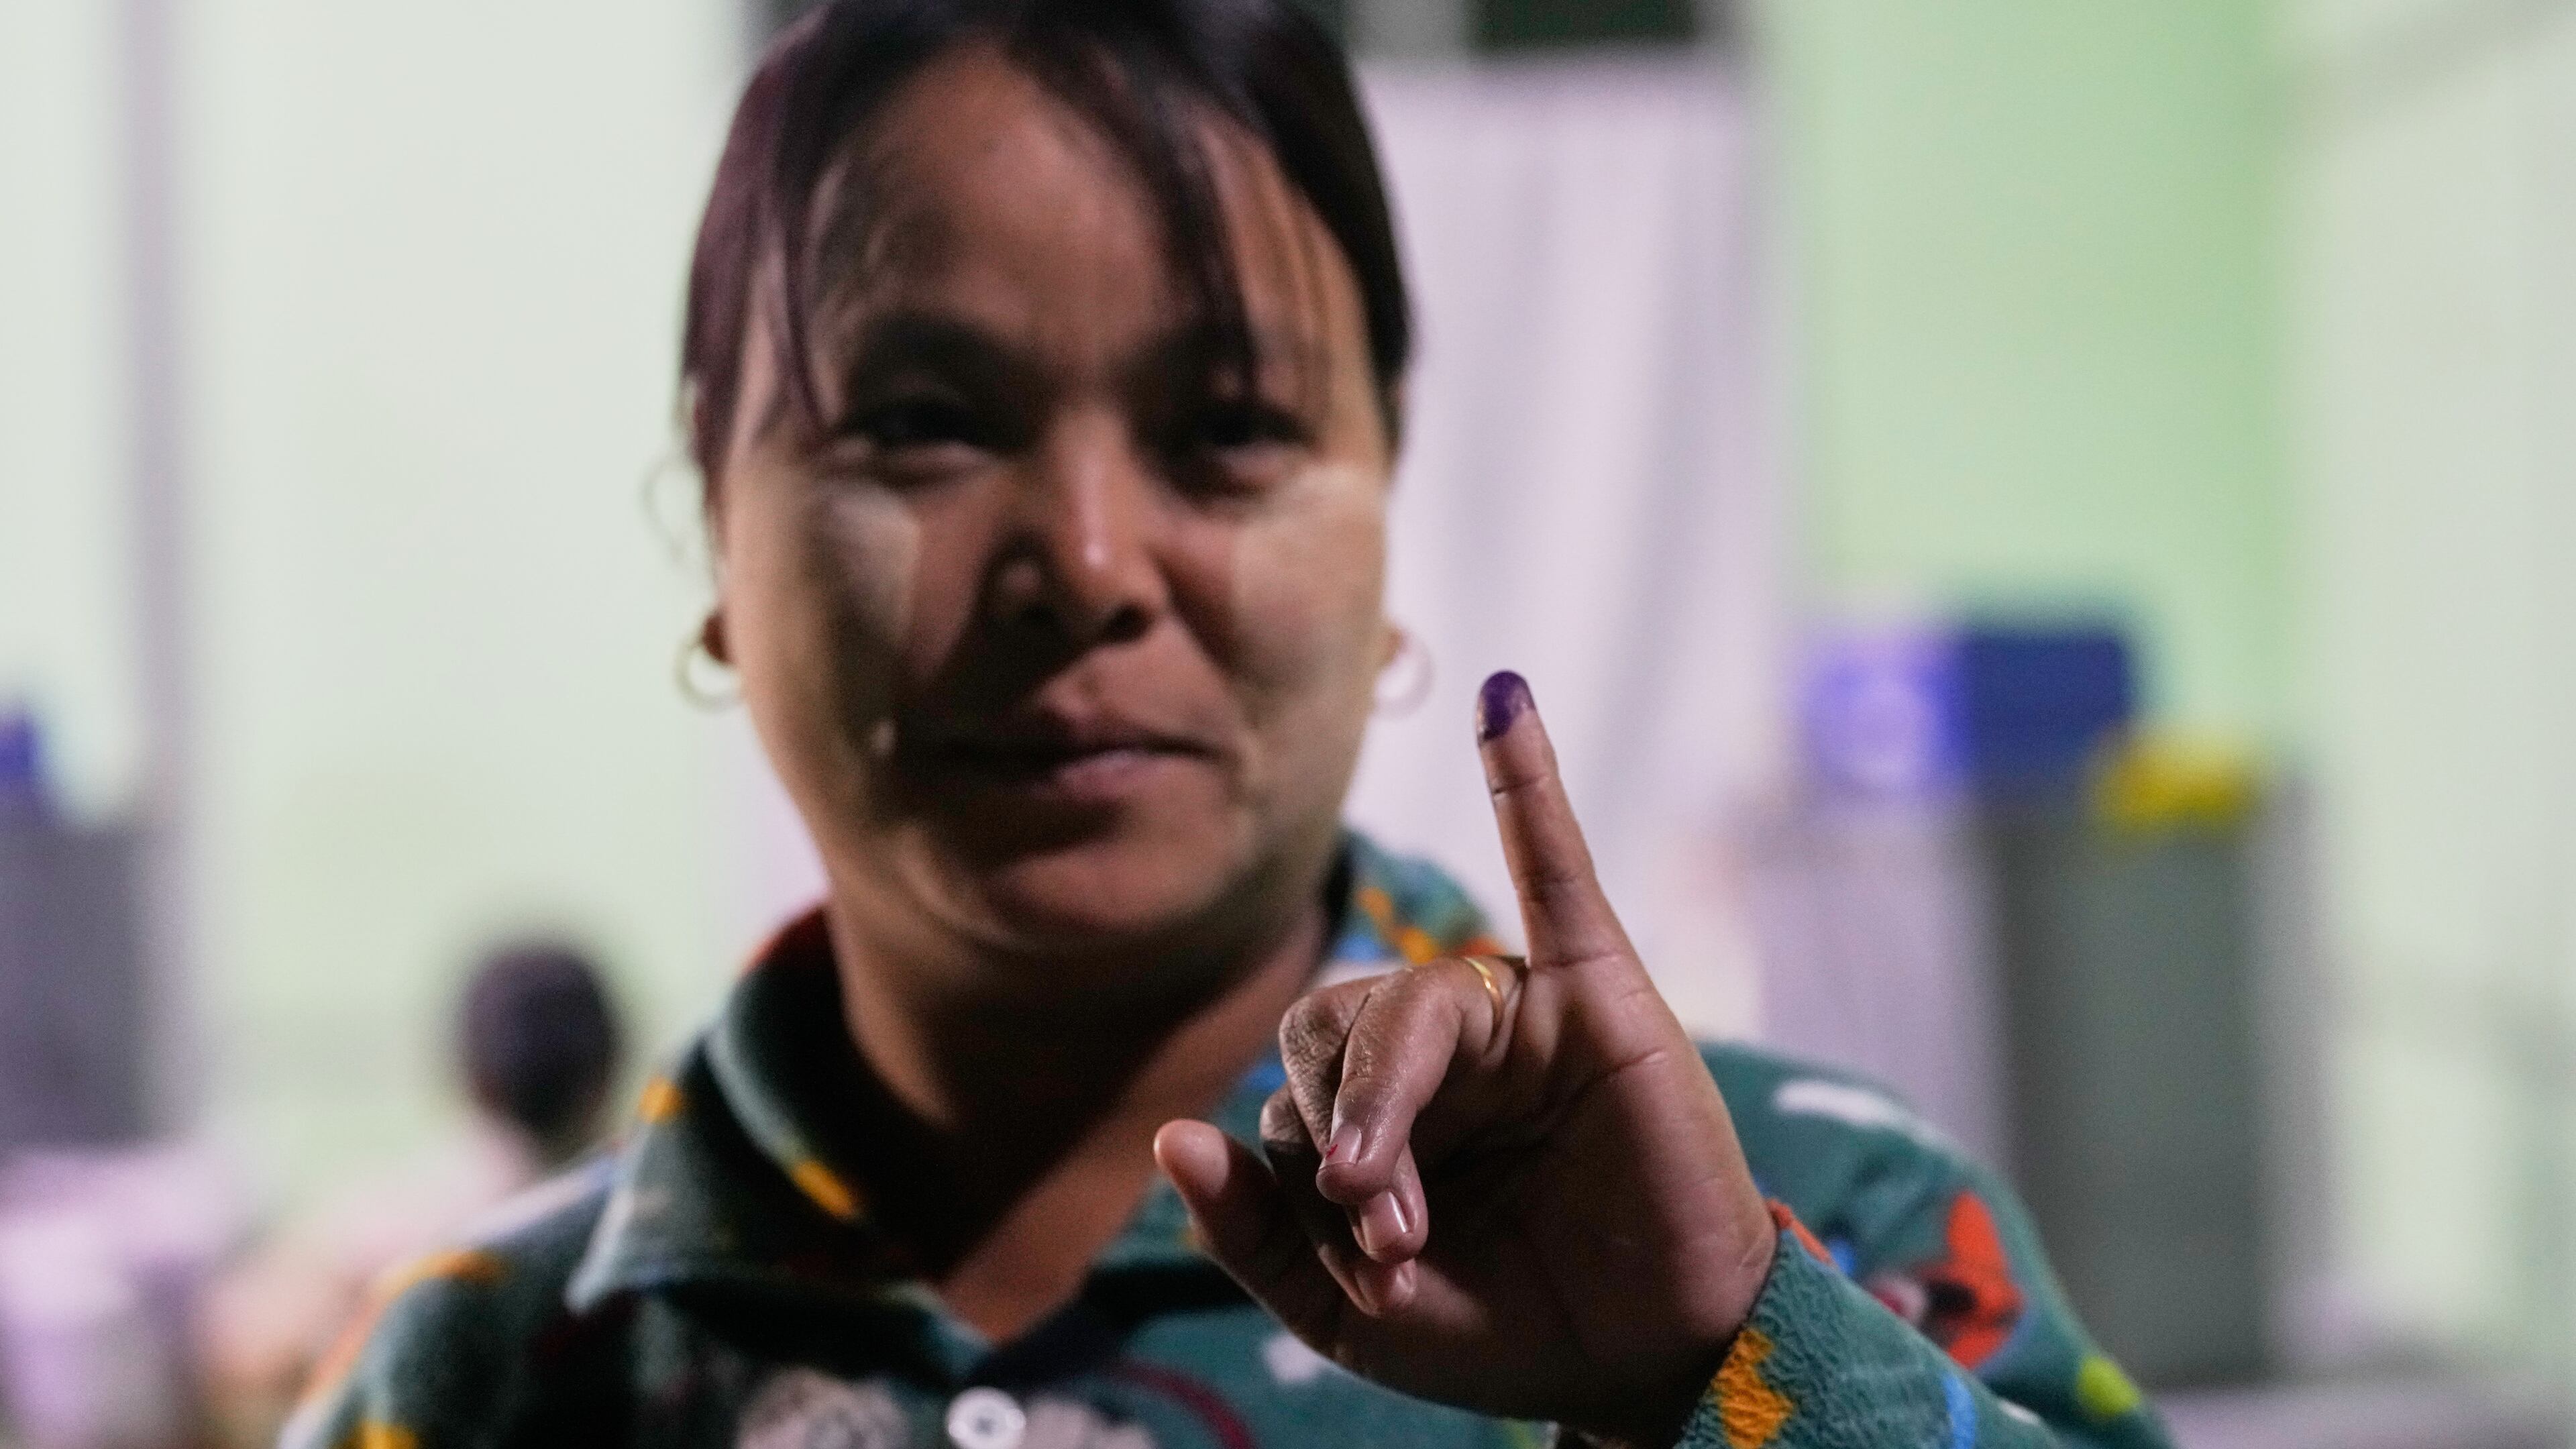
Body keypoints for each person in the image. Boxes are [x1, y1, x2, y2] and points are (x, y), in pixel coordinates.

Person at [287, 3, 2173, 1445]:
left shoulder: (1812, 1219)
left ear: (1385, 512)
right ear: (720, 524)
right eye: (927, 419)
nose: (1090, 563)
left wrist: (1726, 1369)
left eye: (1230, 432)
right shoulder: (482, 1376)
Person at [199, 942, 621, 1448]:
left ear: (469, 1076)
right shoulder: (654, 1236)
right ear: (607, 1074)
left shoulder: (379, 1245)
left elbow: (237, 1350)